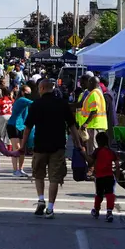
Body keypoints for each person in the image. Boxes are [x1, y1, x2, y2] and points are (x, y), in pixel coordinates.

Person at [20, 79, 81, 218]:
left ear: (41, 88)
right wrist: (78, 144)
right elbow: (72, 126)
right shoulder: (62, 103)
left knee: (39, 175)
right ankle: (50, 208)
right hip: (58, 146)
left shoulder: (36, 104)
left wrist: (23, 146)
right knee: (55, 178)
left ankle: (41, 199)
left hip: (40, 145)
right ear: (52, 88)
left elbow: (27, 128)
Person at [84, 132, 120, 222]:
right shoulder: (111, 152)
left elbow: (90, 161)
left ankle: (96, 210)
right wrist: (117, 176)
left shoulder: (97, 151)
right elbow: (117, 165)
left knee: (99, 195)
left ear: (98, 142)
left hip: (99, 177)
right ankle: (109, 212)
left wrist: (83, 153)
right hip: (109, 176)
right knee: (109, 194)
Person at [7, 85, 34, 177]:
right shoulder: (21, 100)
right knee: (17, 148)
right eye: (27, 93)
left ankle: (20, 169)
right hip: (13, 125)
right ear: (22, 92)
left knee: (22, 149)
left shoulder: (24, 103)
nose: (29, 94)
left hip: (22, 126)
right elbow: (35, 103)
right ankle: (15, 170)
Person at [80, 77, 108, 158]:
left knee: (93, 151)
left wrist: (86, 123)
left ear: (92, 83)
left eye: (89, 82)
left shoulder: (94, 94)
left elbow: (94, 111)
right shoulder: (99, 93)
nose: (87, 84)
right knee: (98, 150)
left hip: (94, 126)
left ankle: (93, 168)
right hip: (99, 125)